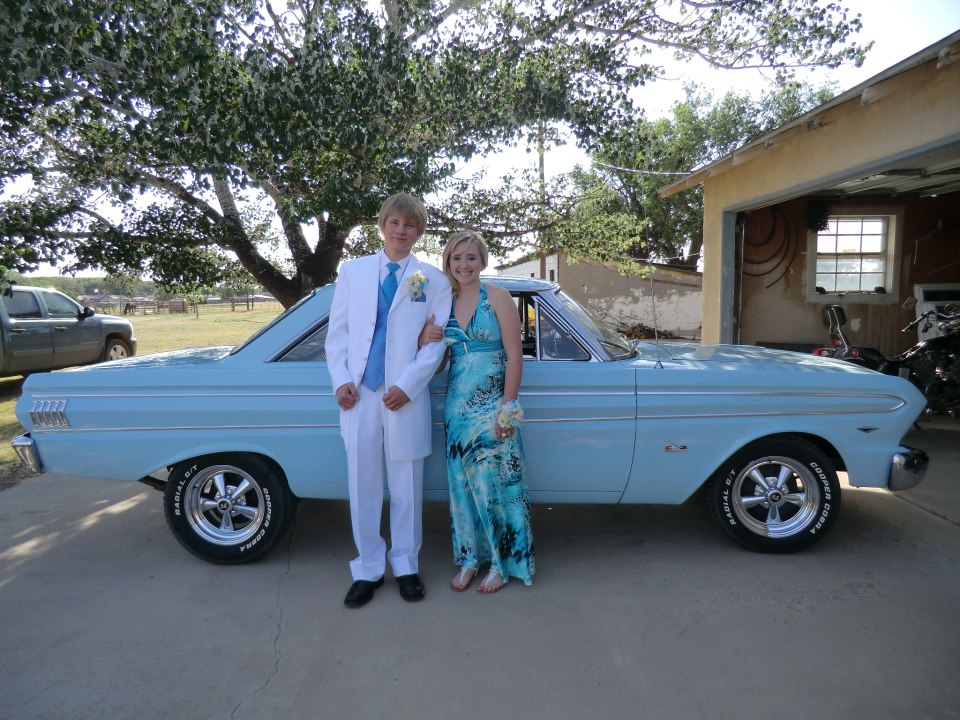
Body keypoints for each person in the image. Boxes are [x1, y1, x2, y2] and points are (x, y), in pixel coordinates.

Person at [325, 193, 452, 608]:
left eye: (410, 226)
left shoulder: (432, 279)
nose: (402, 231)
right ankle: (367, 567)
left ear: (419, 232)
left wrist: (408, 385)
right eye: (395, 223)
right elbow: (339, 333)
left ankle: (407, 565)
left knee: (406, 486)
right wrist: (341, 379)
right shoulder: (354, 272)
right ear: (383, 225)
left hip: (404, 397)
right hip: (359, 396)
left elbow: (434, 344)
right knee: (362, 484)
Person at [420, 229, 535, 594]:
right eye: (457, 258)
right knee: (462, 488)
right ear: (448, 263)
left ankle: (501, 564)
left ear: (482, 261)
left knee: (495, 486)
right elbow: (438, 365)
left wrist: (507, 408)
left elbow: (515, 356)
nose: (463, 265)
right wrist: (426, 340)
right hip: (457, 409)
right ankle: (470, 558)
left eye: (471, 257)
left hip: (492, 407)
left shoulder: (498, 298)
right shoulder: (443, 302)